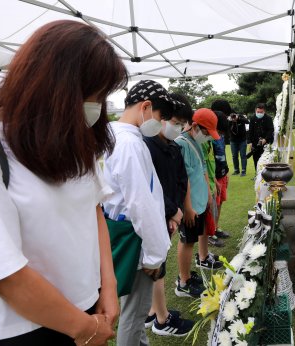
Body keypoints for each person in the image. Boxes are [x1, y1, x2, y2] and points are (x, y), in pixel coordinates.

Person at [0, 20, 127, 345]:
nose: (98, 106)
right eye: (94, 94)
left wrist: (109, 288)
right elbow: (4, 274)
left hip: (88, 310)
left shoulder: (73, 139)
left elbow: (94, 211)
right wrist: (85, 329)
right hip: (19, 331)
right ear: (53, 86)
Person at [102, 80, 180, 345]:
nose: (159, 124)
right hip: (135, 238)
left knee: (133, 314)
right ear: (145, 107)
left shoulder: (114, 135)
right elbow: (140, 204)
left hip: (126, 233)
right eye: (160, 117)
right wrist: (153, 256)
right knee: (134, 316)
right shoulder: (129, 144)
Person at [142, 93, 195, 337]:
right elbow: (148, 187)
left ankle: (153, 311)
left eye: (182, 123)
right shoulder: (146, 145)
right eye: (175, 121)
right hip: (156, 216)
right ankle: (161, 320)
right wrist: (171, 212)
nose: (178, 127)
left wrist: (178, 212)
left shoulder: (171, 146)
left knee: (157, 264)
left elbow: (180, 179)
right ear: (161, 117)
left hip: (170, 215)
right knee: (156, 267)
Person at [174, 108, 222, 299]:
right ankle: (183, 282)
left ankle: (187, 276)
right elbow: (182, 178)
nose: (208, 137)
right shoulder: (181, 144)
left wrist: (209, 194)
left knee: (192, 240)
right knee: (187, 241)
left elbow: (202, 168)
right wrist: (187, 207)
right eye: (206, 133)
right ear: (195, 126)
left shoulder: (195, 142)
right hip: (190, 206)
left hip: (200, 202)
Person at [210, 103, 231, 240]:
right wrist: (214, 178)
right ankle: (210, 233)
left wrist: (226, 170)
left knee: (220, 202)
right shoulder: (209, 135)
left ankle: (216, 228)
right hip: (214, 176)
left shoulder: (220, 133)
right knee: (213, 205)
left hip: (222, 173)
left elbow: (221, 153)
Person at [223, 101, 249, 177]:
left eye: (234, 115)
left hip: (242, 140)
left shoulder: (240, 117)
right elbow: (226, 128)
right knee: (234, 156)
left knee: (243, 155)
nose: (233, 117)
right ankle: (236, 170)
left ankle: (243, 171)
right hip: (233, 140)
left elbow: (247, 122)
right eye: (232, 116)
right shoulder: (229, 120)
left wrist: (239, 119)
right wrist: (229, 121)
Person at [247, 103, 274, 171]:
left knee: (265, 159)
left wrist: (266, 139)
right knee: (255, 159)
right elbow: (250, 131)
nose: (259, 113)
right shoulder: (253, 118)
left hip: (266, 142)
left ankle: (265, 174)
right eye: (258, 112)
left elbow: (271, 130)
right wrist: (250, 142)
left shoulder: (268, 118)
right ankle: (257, 174)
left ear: (264, 111)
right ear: (255, 111)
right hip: (255, 142)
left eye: (261, 112)